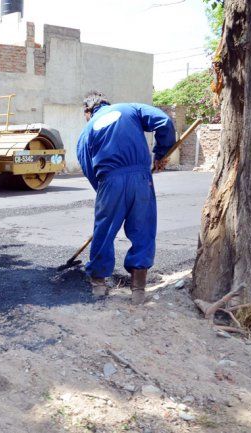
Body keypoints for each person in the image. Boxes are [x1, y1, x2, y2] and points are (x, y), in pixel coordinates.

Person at [76, 91, 175, 304]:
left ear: (88, 111)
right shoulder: (131, 108)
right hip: (141, 179)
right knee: (143, 230)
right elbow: (164, 121)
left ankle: (99, 284)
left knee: (104, 231)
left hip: (110, 181)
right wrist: (161, 153)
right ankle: (138, 290)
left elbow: (87, 166)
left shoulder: (87, 129)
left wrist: (104, 193)